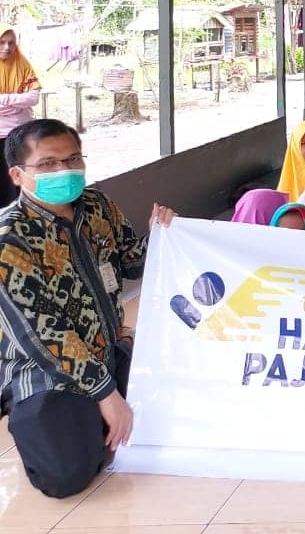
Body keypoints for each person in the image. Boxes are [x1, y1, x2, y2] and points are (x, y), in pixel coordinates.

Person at [0, 118, 176, 498]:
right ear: (17, 174)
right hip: (45, 371)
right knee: (65, 475)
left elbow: (132, 263)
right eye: (47, 163)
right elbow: (43, 336)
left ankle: (94, 418)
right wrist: (106, 394)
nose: (64, 170)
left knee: (177, 414)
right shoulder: (9, 238)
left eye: (72, 159)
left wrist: (160, 235)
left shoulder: (97, 206)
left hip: (110, 351)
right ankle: (48, 420)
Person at [0, 25, 41, 208]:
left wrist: (4, 100)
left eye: (11, 43)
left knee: (21, 179)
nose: (7, 47)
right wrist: (17, 104)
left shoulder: (22, 64)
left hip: (19, 135)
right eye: (2, 42)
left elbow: (33, 98)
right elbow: (25, 100)